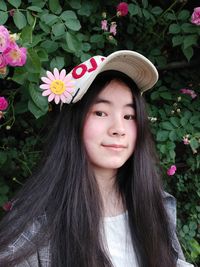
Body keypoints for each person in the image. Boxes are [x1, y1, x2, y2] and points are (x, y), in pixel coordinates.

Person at [0, 50, 194, 267]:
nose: (119, 129)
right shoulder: (35, 223)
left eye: (129, 116)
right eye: (101, 112)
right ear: (74, 121)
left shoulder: (154, 203)